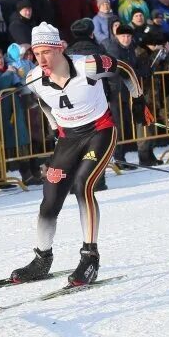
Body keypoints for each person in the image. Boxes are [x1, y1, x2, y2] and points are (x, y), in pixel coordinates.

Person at [11, 23, 146, 287]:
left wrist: (138, 99)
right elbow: (44, 101)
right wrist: (53, 127)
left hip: (100, 131)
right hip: (67, 138)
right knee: (49, 200)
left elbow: (125, 69)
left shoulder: (90, 65)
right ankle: (42, 259)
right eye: (36, 54)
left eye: (46, 52)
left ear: (60, 48)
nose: (41, 59)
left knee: (83, 185)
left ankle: (90, 257)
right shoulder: (33, 78)